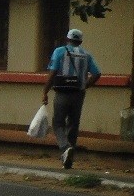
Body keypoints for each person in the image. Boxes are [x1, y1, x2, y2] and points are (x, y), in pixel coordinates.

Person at [42, 28, 101, 168]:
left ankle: (64, 147)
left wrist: (45, 91)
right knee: (73, 124)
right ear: (80, 41)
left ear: (67, 39)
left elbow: (53, 72)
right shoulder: (87, 55)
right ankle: (68, 160)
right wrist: (85, 85)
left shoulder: (60, 51)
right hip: (78, 93)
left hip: (62, 92)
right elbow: (97, 74)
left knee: (58, 122)